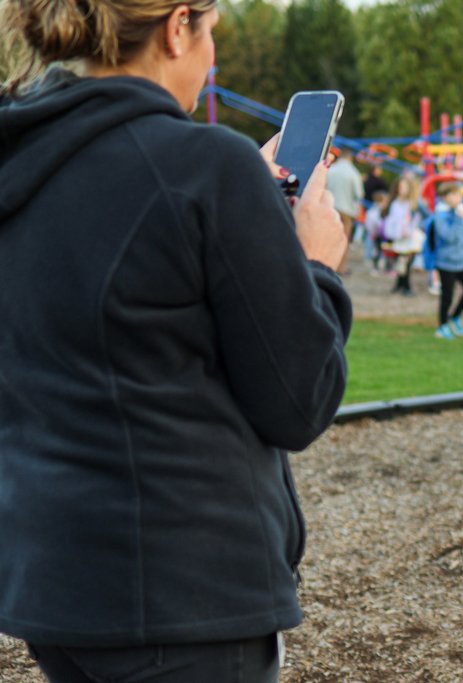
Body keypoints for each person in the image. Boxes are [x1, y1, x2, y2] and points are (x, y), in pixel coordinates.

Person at [0, 1, 352, 681]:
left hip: (54, 582)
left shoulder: (21, 157)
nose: (210, 55)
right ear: (176, 28)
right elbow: (299, 401)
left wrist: (242, 198)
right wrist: (318, 269)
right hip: (184, 587)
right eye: (212, 32)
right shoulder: (204, 167)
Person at [431, 182, 463, 339]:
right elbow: (449, 237)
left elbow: (460, 236)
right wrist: (458, 218)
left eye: (460, 195)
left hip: (461, 261)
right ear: (445, 197)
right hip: (446, 262)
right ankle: (442, 326)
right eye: (455, 195)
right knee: (447, 296)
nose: (459, 198)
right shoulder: (440, 216)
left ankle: (455, 317)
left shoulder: (458, 213)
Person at [381, 173, 424, 296]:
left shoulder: (412, 204)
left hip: (407, 236)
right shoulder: (396, 203)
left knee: (405, 261)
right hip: (399, 235)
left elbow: (418, 217)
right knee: (401, 261)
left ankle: (404, 285)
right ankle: (402, 285)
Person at [325, 145, 364, 274]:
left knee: (329, 238)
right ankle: (341, 267)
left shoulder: (332, 169)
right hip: (346, 210)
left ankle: (327, 264)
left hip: (330, 207)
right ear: (351, 158)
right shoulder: (353, 173)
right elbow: (358, 194)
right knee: (343, 239)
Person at [363, 188, 389, 274]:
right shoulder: (377, 211)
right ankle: (376, 266)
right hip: (377, 234)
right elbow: (374, 223)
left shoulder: (372, 211)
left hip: (378, 233)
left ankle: (377, 265)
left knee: (378, 250)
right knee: (376, 251)